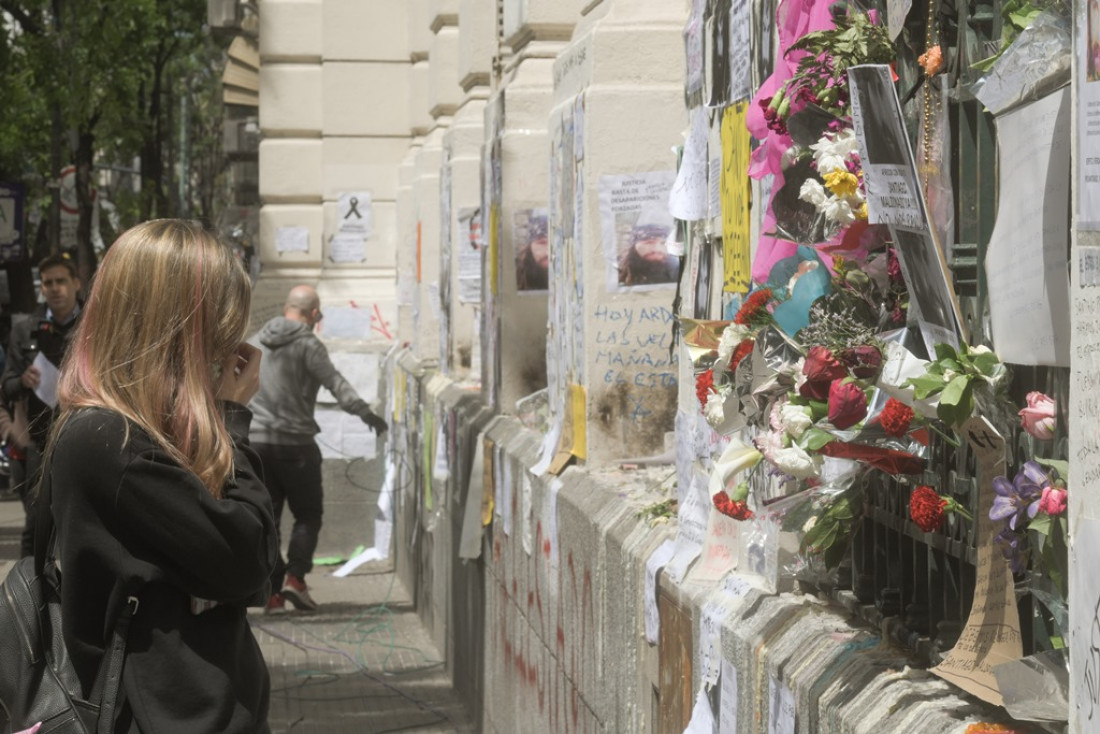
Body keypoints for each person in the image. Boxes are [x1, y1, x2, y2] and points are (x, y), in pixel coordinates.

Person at [43, 219, 278, 732]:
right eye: (220, 329)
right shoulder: (110, 440)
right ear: (174, 329)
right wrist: (231, 420)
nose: (229, 349)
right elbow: (248, 557)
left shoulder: (142, 432)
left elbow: (256, 573)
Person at [248, 284, 387, 612]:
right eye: (318, 315)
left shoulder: (253, 342)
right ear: (313, 314)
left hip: (257, 446)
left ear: (286, 307)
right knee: (308, 514)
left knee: (268, 519)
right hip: (296, 449)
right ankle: (295, 579)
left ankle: (272, 595)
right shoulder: (308, 344)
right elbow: (335, 382)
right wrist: (365, 412)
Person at [1, 253, 82, 555]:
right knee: (37, 526)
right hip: (38, 442)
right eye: (48, 283)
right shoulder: (25, 331)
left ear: (76, 283)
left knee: (78, 526)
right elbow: (6, 387)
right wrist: (23, 380)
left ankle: (74, 598)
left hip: (84, 439)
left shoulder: (93, 326)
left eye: (61, 281)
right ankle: (29, 597)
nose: (55, 288)